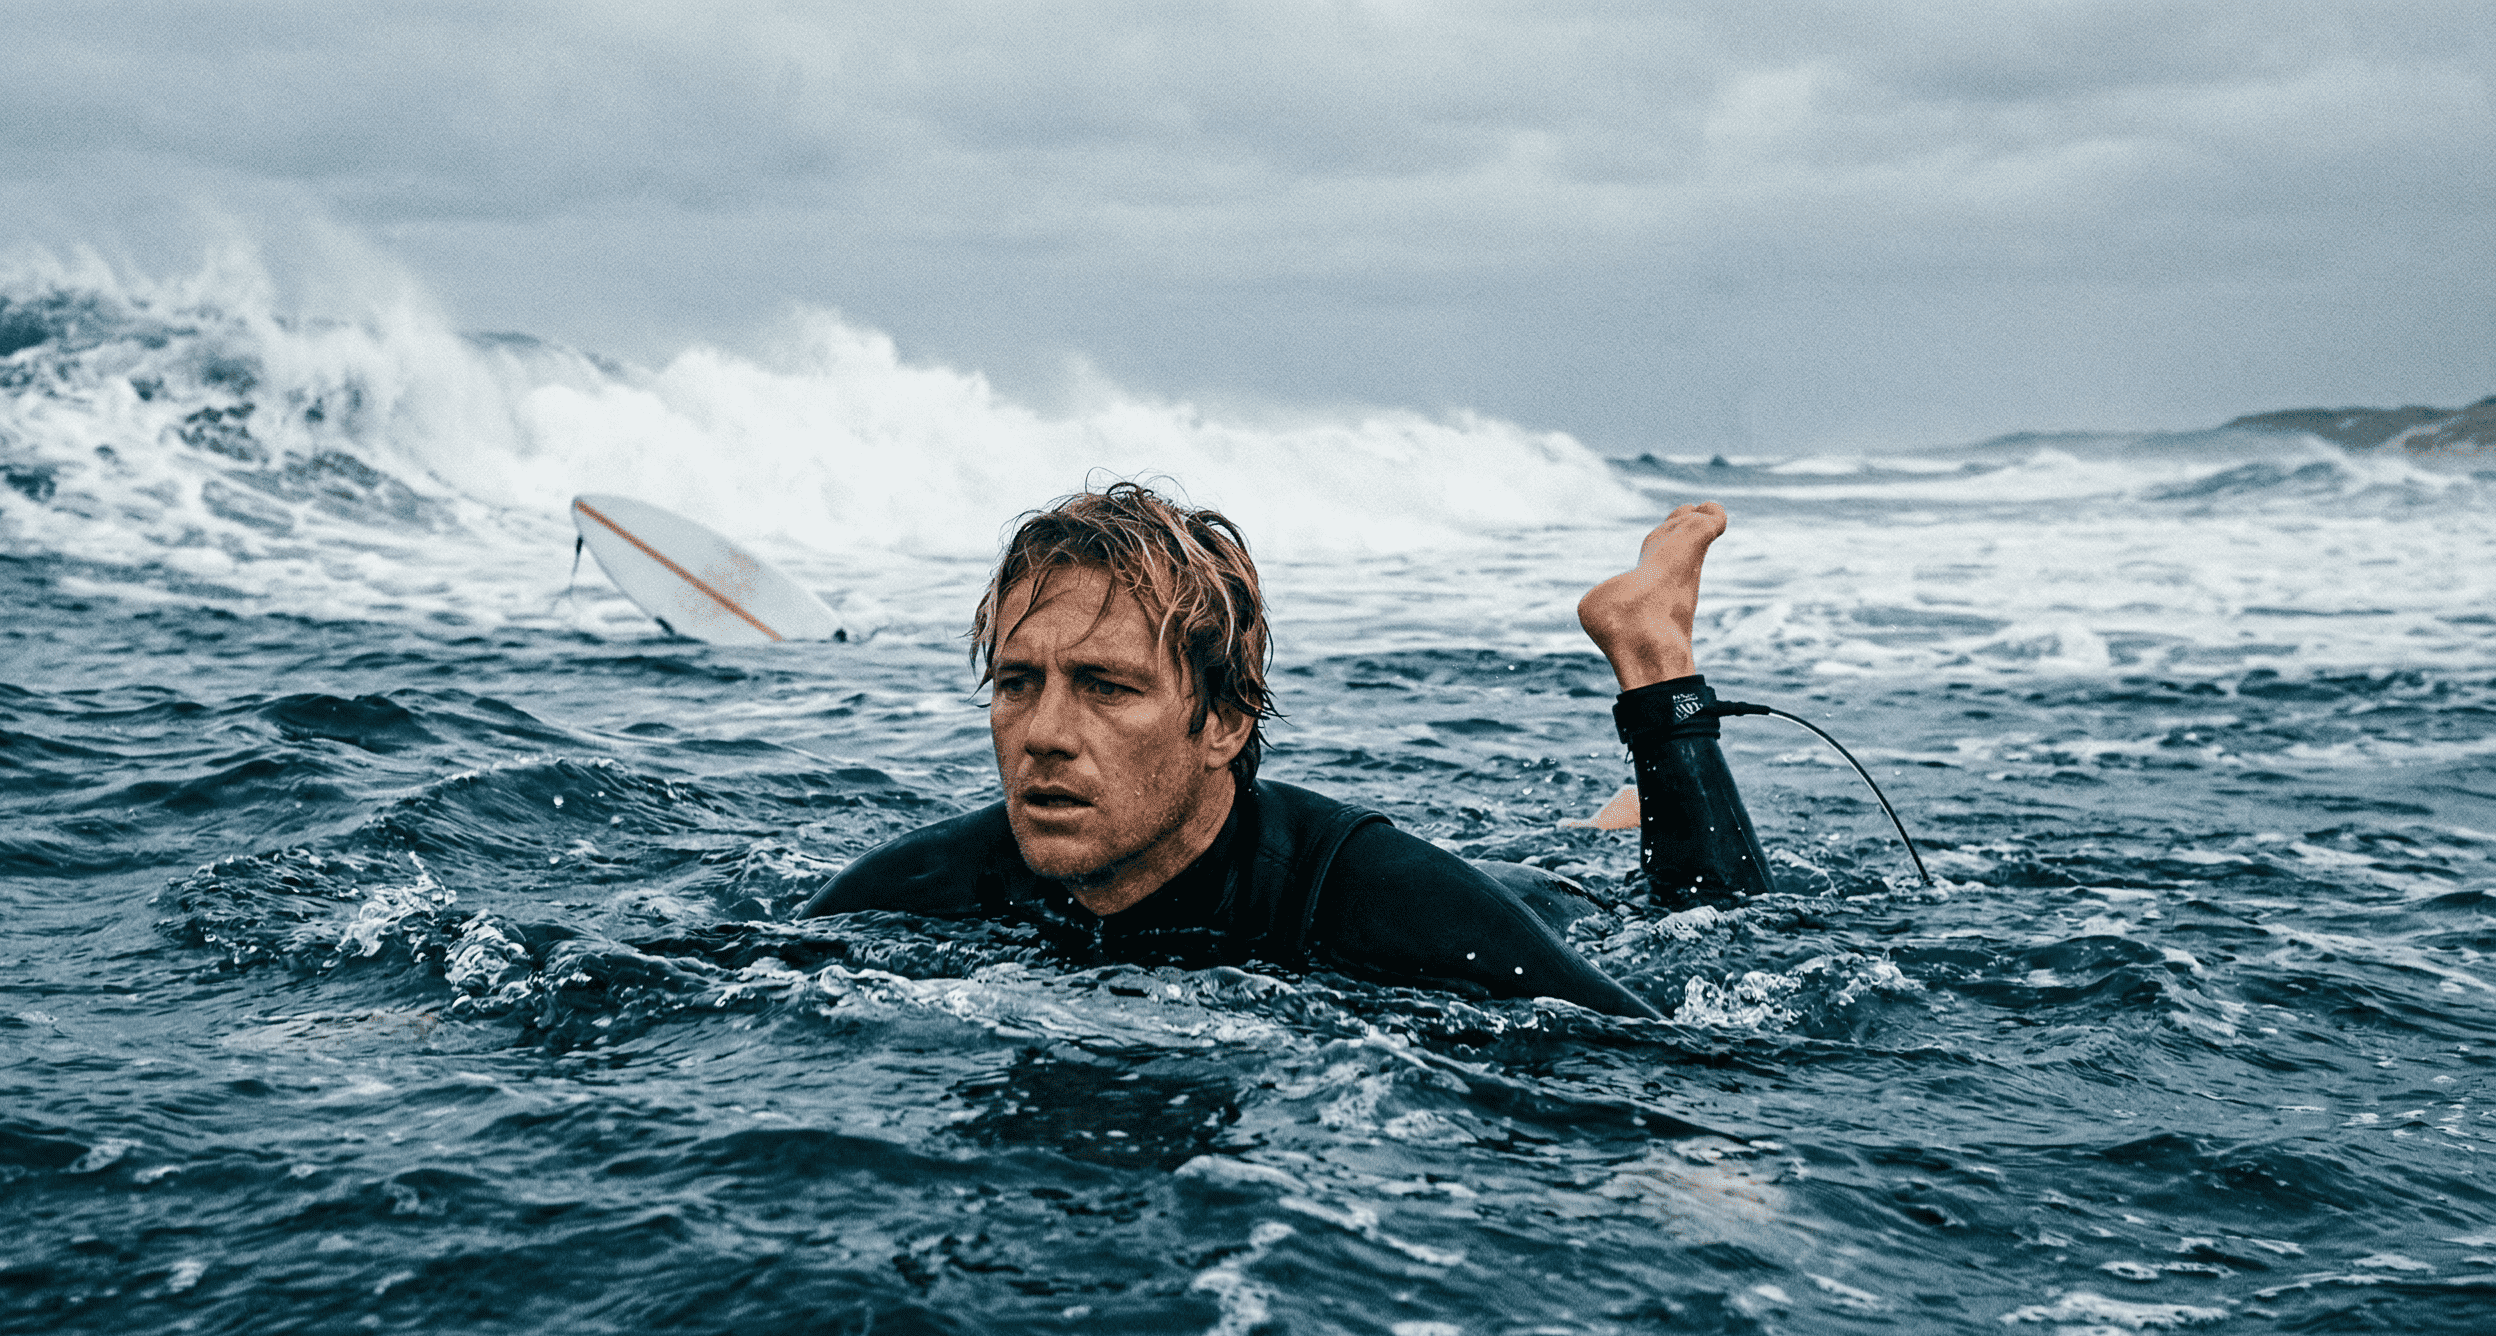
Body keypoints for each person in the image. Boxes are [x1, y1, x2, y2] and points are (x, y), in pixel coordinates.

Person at [799, 483, 1773, 1019]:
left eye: (1106, 686)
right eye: (1019, 683)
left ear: (1224, 720)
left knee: (1711, 914)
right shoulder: (936, 878)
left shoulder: (1379, 898)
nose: (1045, 734)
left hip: (1521, 901)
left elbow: (1662, 1058)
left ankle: (1653, 654)